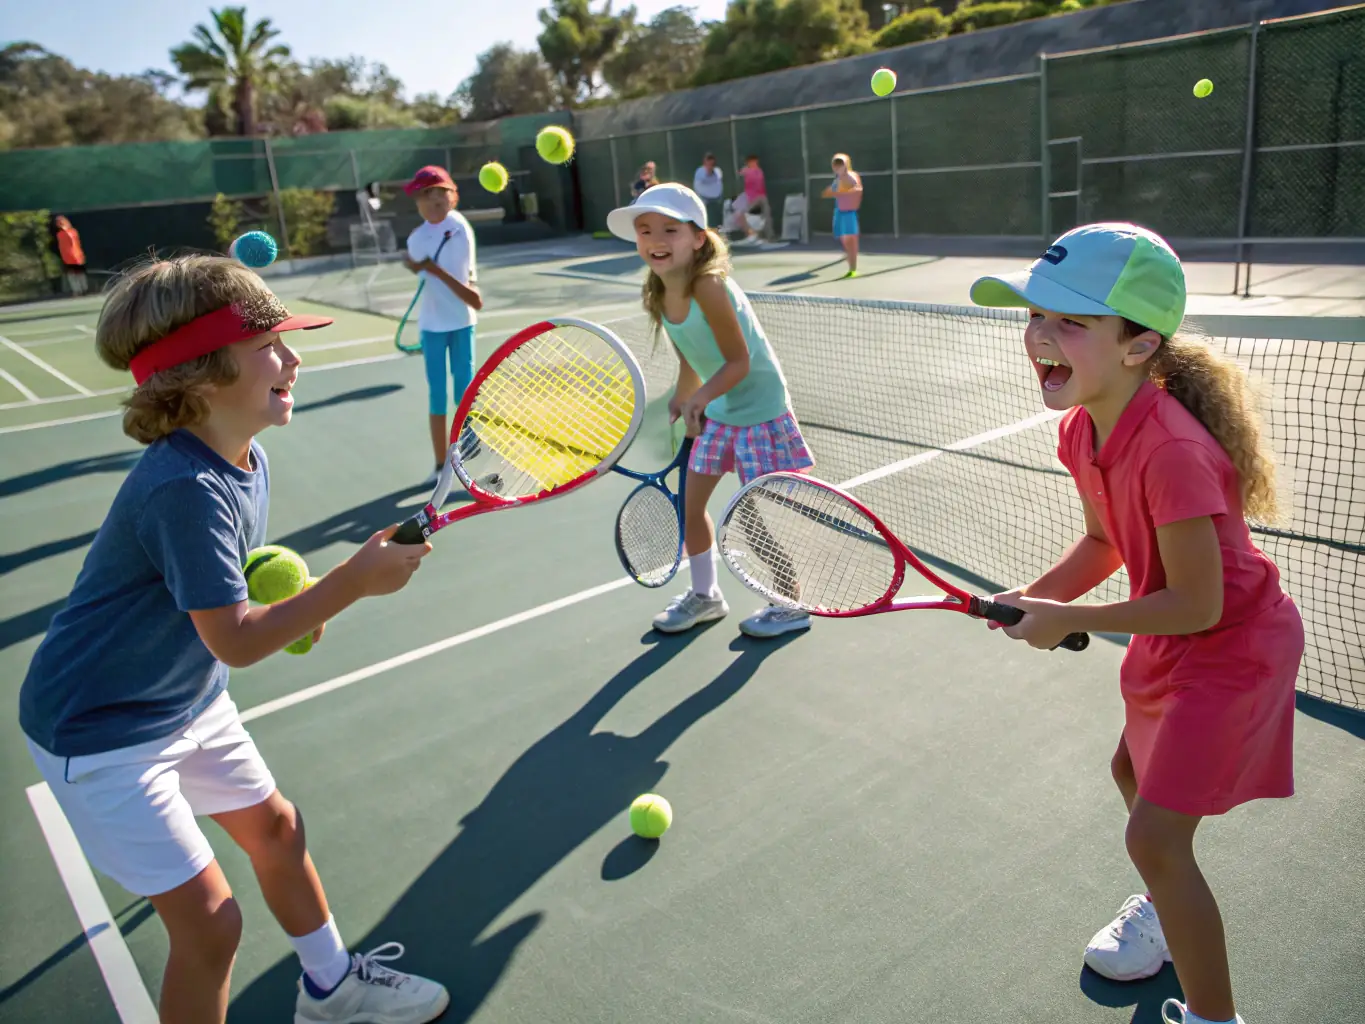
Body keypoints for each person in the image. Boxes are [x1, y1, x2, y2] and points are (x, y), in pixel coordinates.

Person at [18, 254, 448, 1024]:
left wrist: (303, 605)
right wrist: (346, 583)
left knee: (277, 831)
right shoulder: (183, 486)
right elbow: (238, 643)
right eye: (271, 346)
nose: (294, 358)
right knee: (212, 926)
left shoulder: (242, 457)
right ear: (203, 372)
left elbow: (219, 600)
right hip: (102, 730)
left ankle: (331, 986)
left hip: (183, 699)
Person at [971, 222, 1302, 1024]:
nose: (1039, 337)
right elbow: (1101, 540)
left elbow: (1199, 603)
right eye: (1034, 316)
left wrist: (1069, 617)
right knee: (1130, 776)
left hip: (1233, 647)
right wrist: (1035, 595)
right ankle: (1164, 903)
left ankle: (1214, 1019)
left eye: (1069, 322)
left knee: (1152, 837)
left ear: (1136, 346)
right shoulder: (1080, 429)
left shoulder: (1172, 451)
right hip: (1175, 636)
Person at [605, 182, 816, 639]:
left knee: (750, 514)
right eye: (645, 230)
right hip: (719, 410)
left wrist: (701, 397)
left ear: (698, 237)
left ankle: (789, 601)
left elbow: (738, 361)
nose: (655, 239)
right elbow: (690, 353)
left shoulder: (710, 287)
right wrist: (685, 394)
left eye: (669, 229)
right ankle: (706, 595)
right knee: (691, 503)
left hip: (758, 412)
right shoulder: (659, 290)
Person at [401, 165, 482, 484]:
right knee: (437, 395)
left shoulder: (461, 227)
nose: (434, 200)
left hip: (463, 323)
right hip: (433, 327)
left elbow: (464, 280)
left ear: (454, 197)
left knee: (464, 392)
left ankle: (466, 454)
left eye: (440, 193)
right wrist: (424, 269)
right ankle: (440, 465)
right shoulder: (417, 239)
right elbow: (427, 271)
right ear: (417, 203)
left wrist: (430, 269)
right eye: (426, 195)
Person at [822, 153, 862, 277]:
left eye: (841, 164)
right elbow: (826, 194)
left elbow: (858, 189)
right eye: (836, 164)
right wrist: (833, 192)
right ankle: (850, 258)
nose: (838, 167)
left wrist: (844, 192)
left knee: (851, 240)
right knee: (844, 240)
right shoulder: (836, 181)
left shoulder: (852, 176)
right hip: (839, 213)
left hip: (849, 213)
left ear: (846, 165)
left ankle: (853, 269)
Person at [730, 154, 770, 247]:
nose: (753, 163)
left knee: (763, 214)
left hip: (758, 198)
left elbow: (758, 186)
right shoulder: (747, 170)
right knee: (737, 214)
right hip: (747, 196)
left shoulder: (758, 172)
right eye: (750, 162)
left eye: (754, 161)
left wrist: (747, 171)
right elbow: (740, 173)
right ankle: (751, 235)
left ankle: (765, 237)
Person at [53, 214, 89, 296]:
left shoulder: (71, 232)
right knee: (73, 275)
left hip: (76, 256)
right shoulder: (61, 234)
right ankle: (78, 290)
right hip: (69, 258)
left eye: (60, 222)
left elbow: (74, 244)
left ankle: (82, 289)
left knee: (79, 274)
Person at [692, 152, 725, 227]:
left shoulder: (717, 172)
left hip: (716, 201)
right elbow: (698, 187)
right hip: (704, 201)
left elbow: (719, 186)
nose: (710, 166)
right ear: (705, 163)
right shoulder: (700, 172)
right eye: (708, 164)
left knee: (718, 217)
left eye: (712, 164)